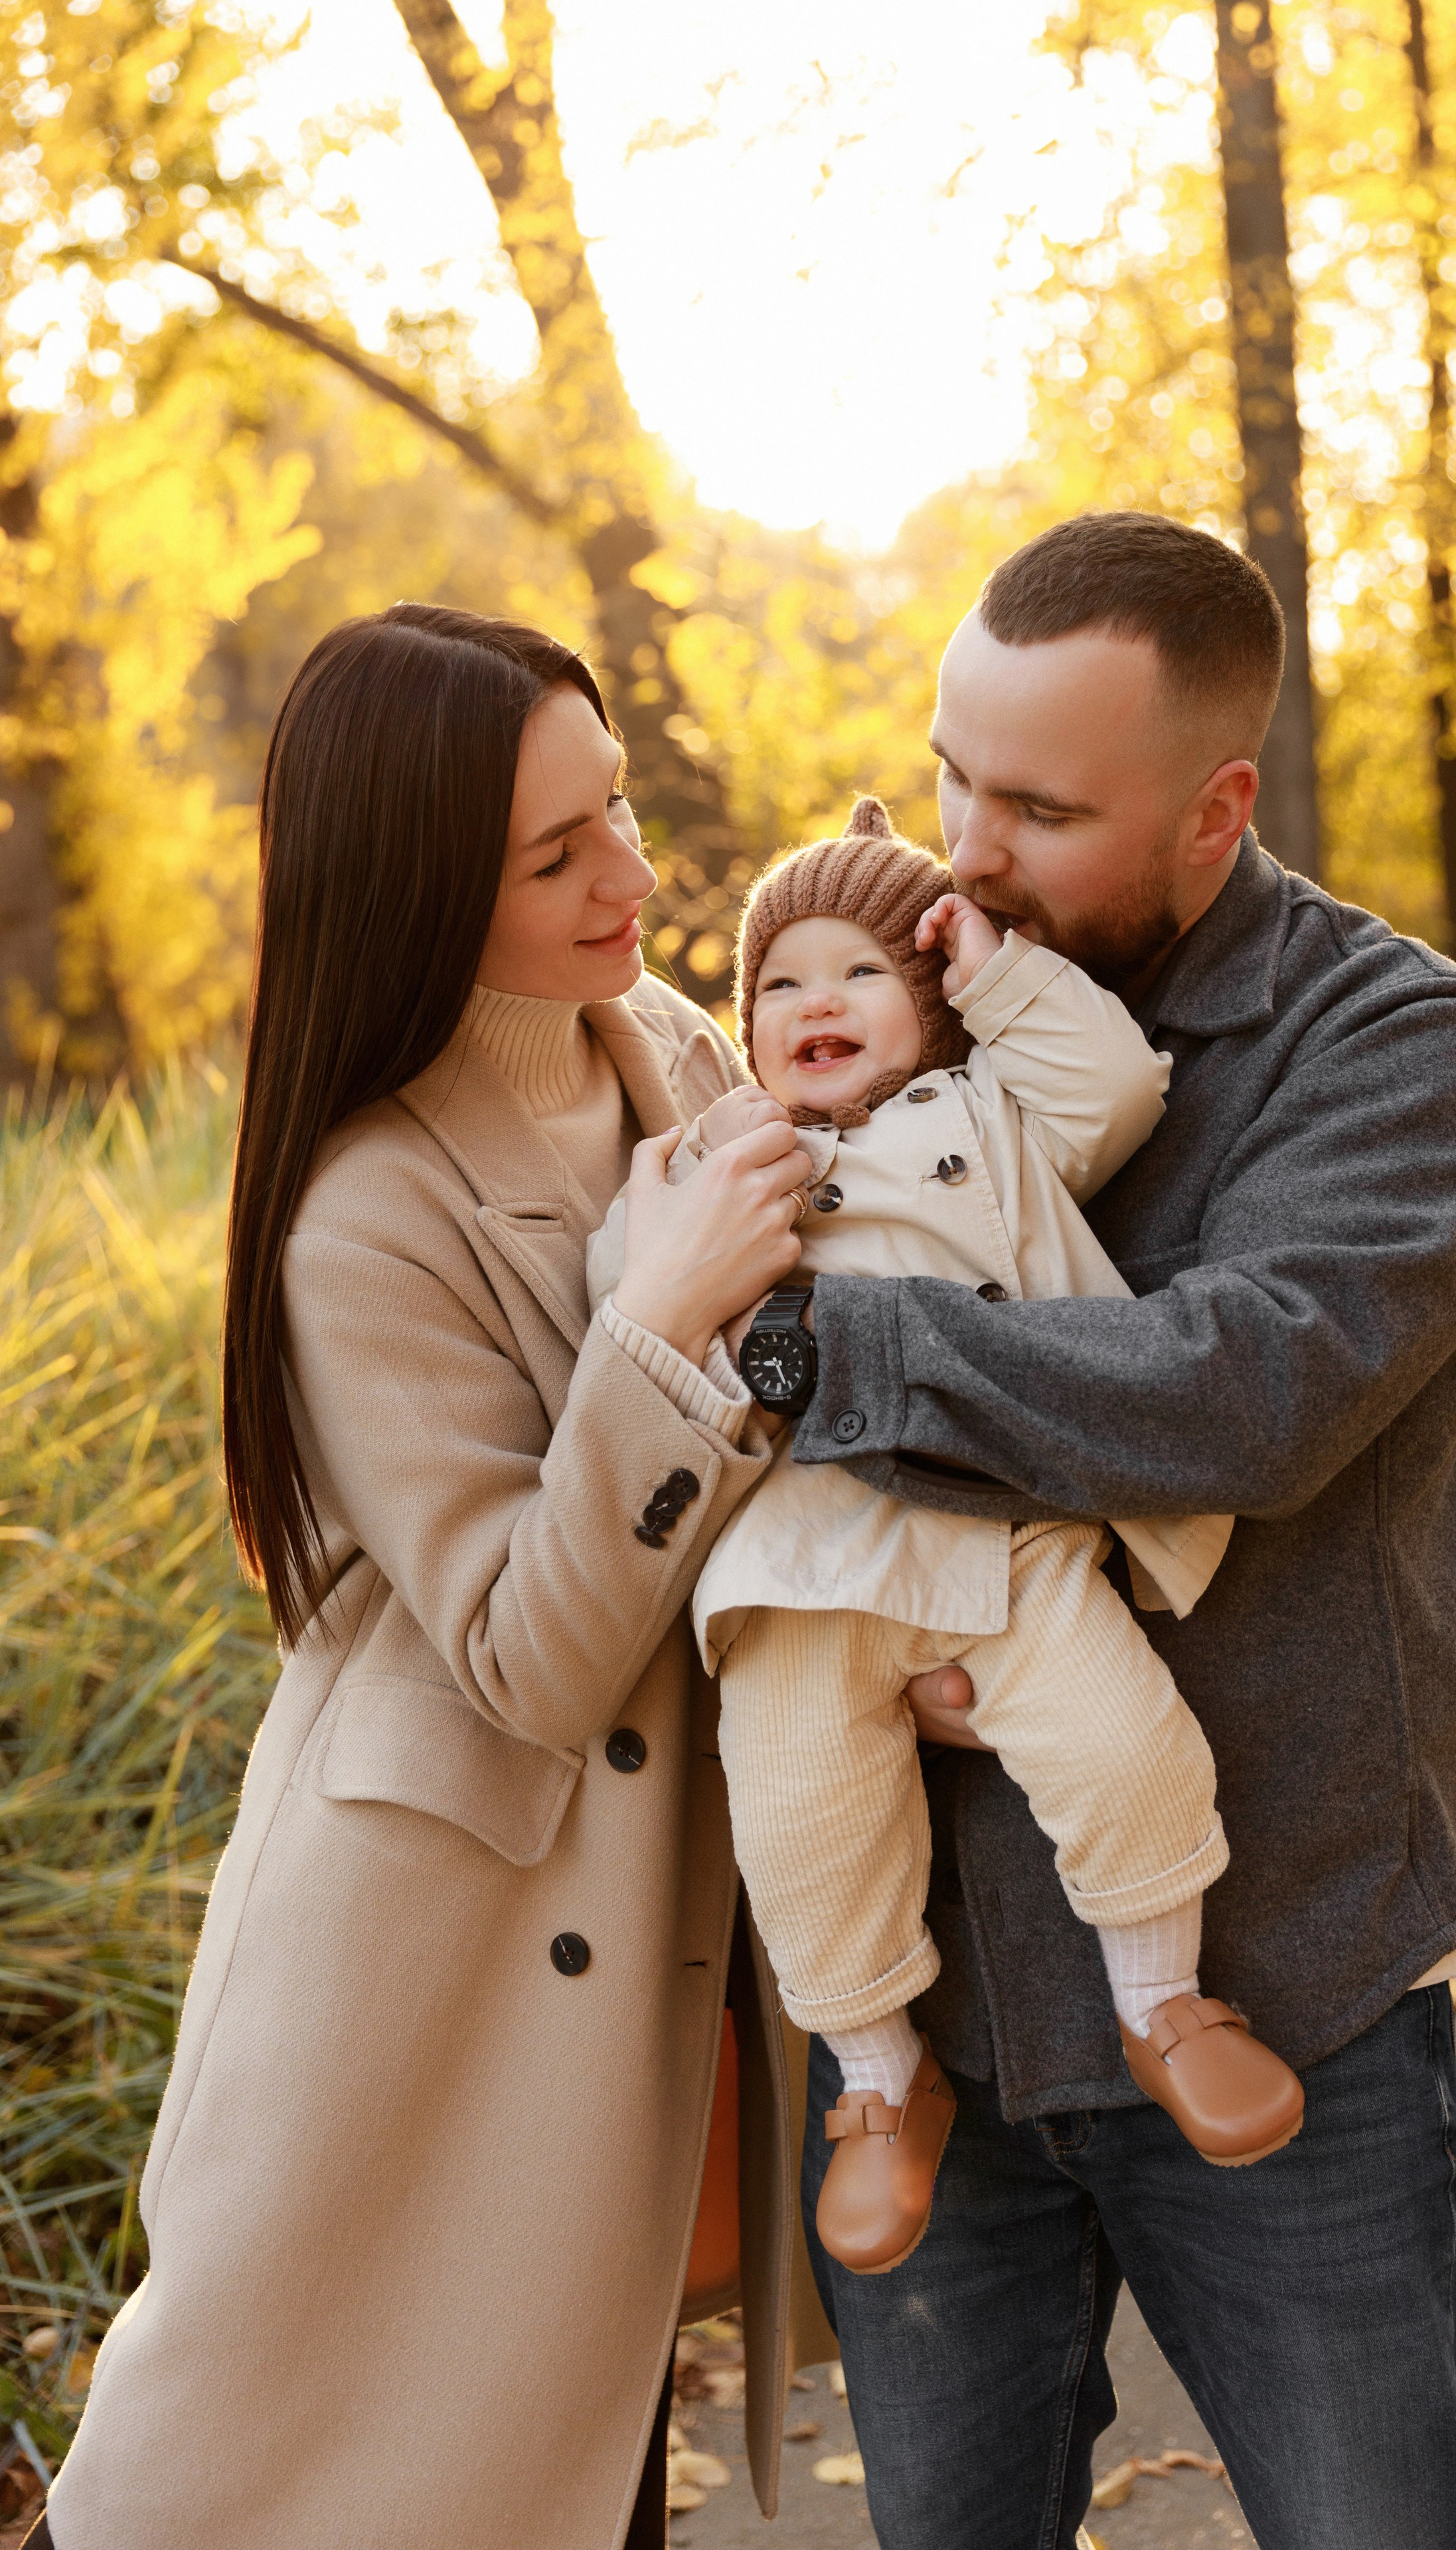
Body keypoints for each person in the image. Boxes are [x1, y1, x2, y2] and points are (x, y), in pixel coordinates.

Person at [773, 515, 1456, 2550]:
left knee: (1381, 2527)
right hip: (930, 2012)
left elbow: (1241, 1393)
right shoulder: (888, 995)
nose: (969, 847)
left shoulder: (1406, 1051)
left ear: (1221, 807)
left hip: (1281, 1964)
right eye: (950, 773)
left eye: (1039, 807)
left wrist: (821, 1355)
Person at [38, 602, 841, 2550]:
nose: (633, 881)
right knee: (246, 2480)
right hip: (432, 1967)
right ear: (414, 887)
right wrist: (655, 1329)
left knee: (576, 2467)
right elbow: (527, 1656)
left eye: (621, 814)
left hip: (653, 1932)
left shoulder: (667, 1041)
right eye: (556, 858)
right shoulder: (362, 1208)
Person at [588, 797, 1303, 2281]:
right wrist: (663, 1228)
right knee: (799, 1821)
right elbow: (634, 1302)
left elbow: (1108, 1081)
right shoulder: (732, 1148)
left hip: (1003, 1520)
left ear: (924, 1007)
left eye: (857, 973)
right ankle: (874, 2081)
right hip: (801, 1566)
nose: (812, 1005)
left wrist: (987, 968)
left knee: (1124, 1743)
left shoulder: (985, 1116)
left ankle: (1164, 1999)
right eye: (777, 984)